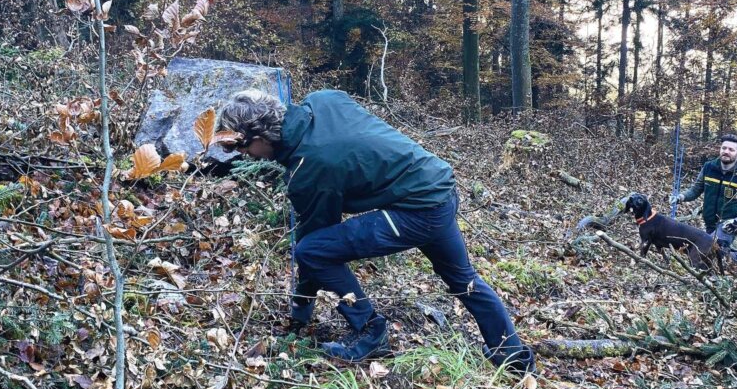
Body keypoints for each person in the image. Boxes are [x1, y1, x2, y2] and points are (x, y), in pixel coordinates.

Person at [216, 88, 535, 372]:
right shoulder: (323, 100)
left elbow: (314, 242)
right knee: (463, 279)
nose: (246, 156)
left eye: (244, 150)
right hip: (439, 187)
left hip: (419, 211)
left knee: (311, 250)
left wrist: (301, 307)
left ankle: (371, 333)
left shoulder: (308, 168)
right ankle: (512, 356)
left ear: (260, 137)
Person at [670, 131, 737, 263]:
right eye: (724, 148)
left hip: (729, 225)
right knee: (716, 254)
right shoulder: (709, 167)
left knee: (706, 252)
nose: (726, 152)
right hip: (710, 221)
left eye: (731, 150)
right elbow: (695, 190)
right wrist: (680, 197)